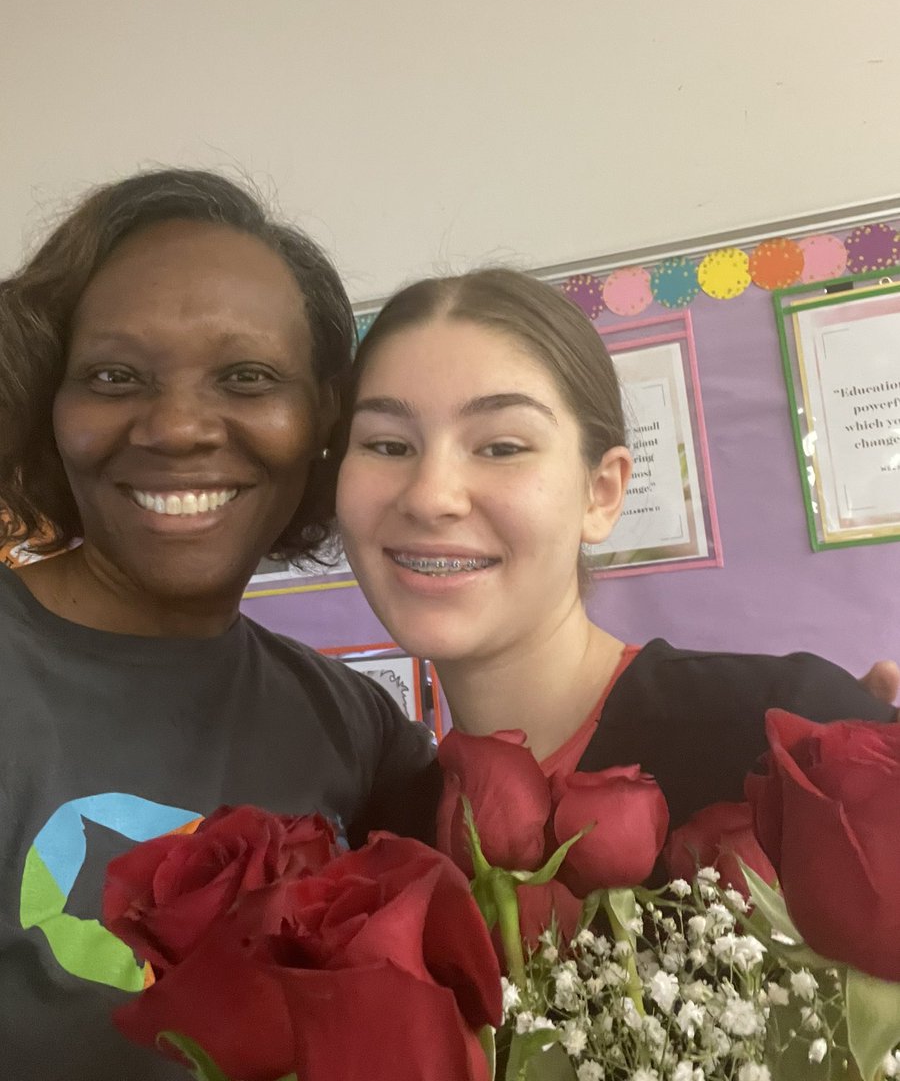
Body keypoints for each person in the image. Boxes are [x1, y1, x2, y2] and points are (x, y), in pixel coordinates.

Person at [0, 169, 435, 1080]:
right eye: (115, 376)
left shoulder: (358, 732)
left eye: (246, 377)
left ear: (323, 417)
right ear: (51, 407)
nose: (180, 427)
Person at [335, 267, 898, 837]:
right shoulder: (390, 831)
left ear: (602, 492)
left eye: (501, 446)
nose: (430, 497)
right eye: (387, 445)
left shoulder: (787, 738)